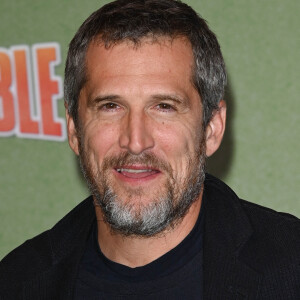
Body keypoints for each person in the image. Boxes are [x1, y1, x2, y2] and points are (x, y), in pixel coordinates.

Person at [0, 0, 299, 299]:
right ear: (74, 129)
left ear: (212, 128)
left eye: (164, 107)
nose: (136, 141)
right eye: (111, 106)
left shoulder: (291, 267)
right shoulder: (16, 282)